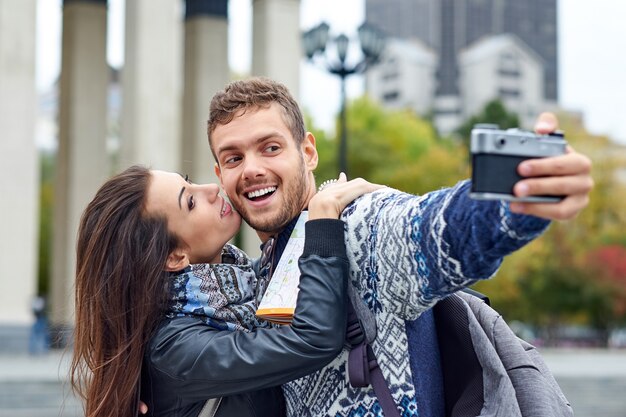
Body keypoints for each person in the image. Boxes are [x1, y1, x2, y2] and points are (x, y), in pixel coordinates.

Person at [207, 77, 593, 416]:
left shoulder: (361, 225)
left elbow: (440, 226)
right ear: (220, 174)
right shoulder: (257, 274)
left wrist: (521, 196)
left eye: (270, 148)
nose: (252, 168)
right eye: (234, 158)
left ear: (308, 152)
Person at [69, 164, 383, 417]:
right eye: (190, 202)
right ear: (173, 256)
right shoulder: (176, 349)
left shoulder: (245, 284)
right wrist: (323, 218)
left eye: (190, 182)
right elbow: (312, 339)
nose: (210, 189)